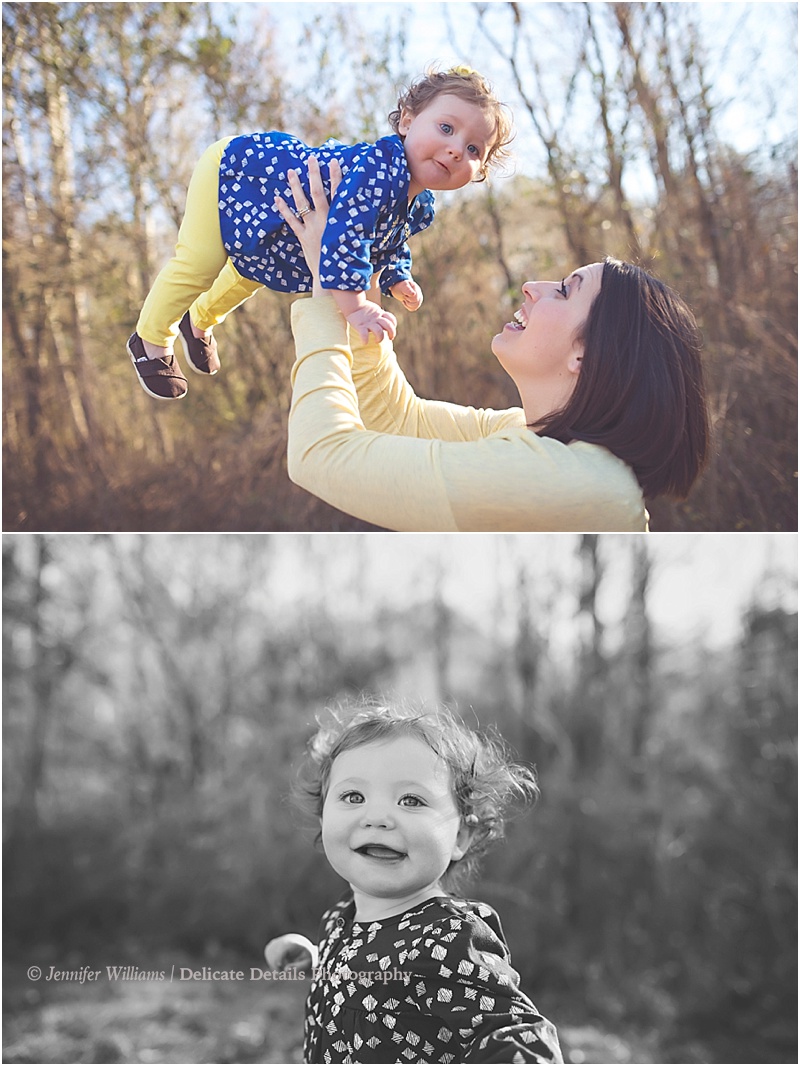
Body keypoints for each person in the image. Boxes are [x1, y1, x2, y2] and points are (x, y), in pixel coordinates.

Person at [274, 159, 710, 532]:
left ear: (589, 354)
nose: (531, 287)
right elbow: (397, 417)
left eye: (563, 290)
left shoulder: (569, 482)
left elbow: (319, 455)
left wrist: (324, 288)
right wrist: (359, 288)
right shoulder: (536, 442)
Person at [126, 66, 513, 400]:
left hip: (278, 215)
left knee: (250, 275)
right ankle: (150, 339)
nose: (456, 150)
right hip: (237, 171)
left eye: (475, 149)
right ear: (408, 121)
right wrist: (356, 307)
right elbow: (347, 237)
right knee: (203, 260)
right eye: (446, 128)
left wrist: (397, 277)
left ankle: (200, 322)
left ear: (480, 173)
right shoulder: (379, 168)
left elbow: (388, 240)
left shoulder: (417, 200)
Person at [265, 700, 563, 1064]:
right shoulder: (343, 917)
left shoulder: (449, 937)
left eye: (411, 800)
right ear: (324, 816)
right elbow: (374, 981)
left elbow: (514, 1033)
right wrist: (317, 960)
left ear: (460, 837)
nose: (377, 817)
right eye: (353, 796)